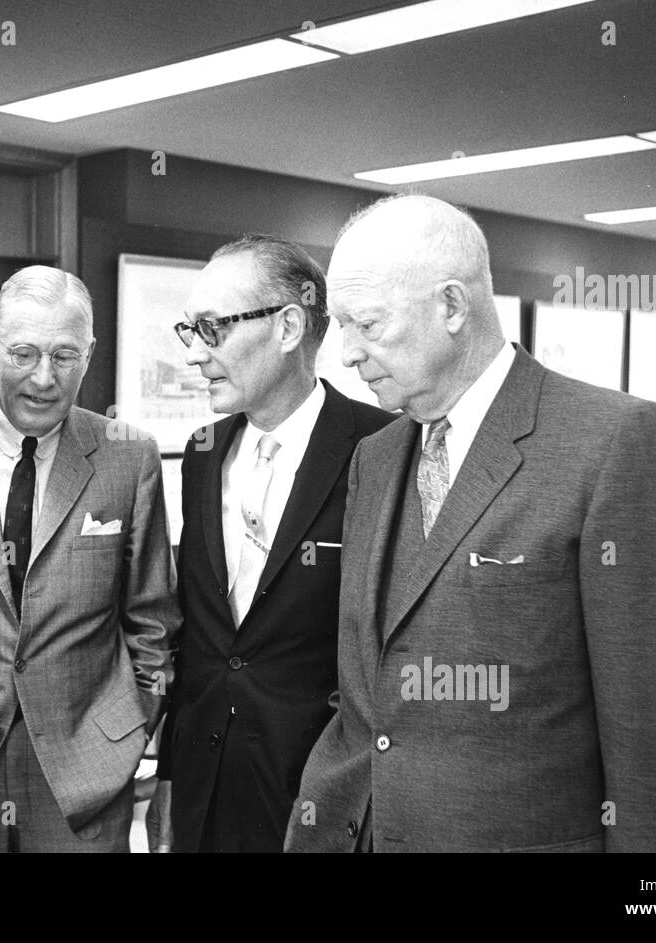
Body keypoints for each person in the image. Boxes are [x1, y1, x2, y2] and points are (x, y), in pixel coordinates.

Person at [286, 195, 656, 853]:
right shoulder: (375, 459)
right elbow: (369, 699)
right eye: (339, 325)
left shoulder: (614, 443)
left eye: (368, 324)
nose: (345, 353)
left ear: (451, 306)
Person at [0, 265, 178, 852]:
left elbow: (152, 616)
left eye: (65, 356)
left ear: (90, 354)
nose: (44, 379)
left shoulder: (129, 456)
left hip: (85, 772)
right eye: (23, 353)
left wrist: (130, 727)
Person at [147, 235, 394, 853]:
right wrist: (172, 779)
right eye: (190, 331)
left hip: (323, 801)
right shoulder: (202, 455)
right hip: (205, 793)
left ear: (288, 327)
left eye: (213, 329)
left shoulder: (383, 450)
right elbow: (204, 644)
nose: (196, 354)